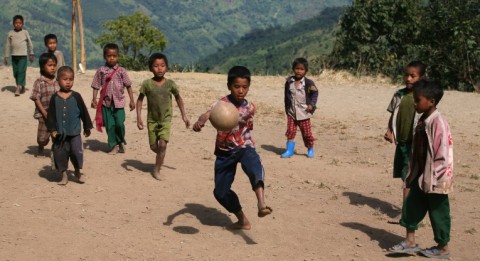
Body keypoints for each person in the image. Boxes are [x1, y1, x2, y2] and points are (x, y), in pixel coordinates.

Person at [193, 66, 273, 230]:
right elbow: (208, 114)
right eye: (237, 86)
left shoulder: (251, 107)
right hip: (224, 152)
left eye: (245, 87)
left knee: (254, 168)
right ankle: (242, 220)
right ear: (229, 86)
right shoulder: (221, 104)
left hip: (244, 146)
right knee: (220, 192)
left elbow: (248, 127)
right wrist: (200, 121)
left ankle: (261, 202)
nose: (241, 90)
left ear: (249, 87)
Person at [389, 79, 453, 259]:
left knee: (438, 213)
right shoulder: (422, 120)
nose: (415, 103)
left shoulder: (438, 122)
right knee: (411, 206)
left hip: (435, 179)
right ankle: (410, 241)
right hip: (420, 175)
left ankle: (443, 247)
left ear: (432, 101)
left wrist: (437, 177)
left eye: (418, 100)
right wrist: (412, 172)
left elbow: (443, 152)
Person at [136, 53, 190, 180]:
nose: (159, 69)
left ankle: (156, 169)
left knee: (162, 145)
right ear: (150, 68)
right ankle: (161, 156)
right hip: (152, 120)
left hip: (166, 119)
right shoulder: (147, 84)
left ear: (166, 67)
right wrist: (138, 118)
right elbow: (139, 101)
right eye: (156, 66)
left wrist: (184, 116)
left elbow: (178, 98)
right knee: (154, 147)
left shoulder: (170, 84)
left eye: (162, 65)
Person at [384, 61, 426, 223]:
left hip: (415, 144)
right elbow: (393, 115)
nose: (408, 79)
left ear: (421, 78)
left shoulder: (423, 98)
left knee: (408, 177)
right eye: (406, 75)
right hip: (402, 143)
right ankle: (413, 208)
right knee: (407, 177)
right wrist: (389, 130)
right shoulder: (399, 95)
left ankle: (407, 213)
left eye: (413, 76)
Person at [47, 66, 93, 185]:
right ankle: (63, 175)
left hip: (74, 133)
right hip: (60, 134)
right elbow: (50, 115)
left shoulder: (76, 96)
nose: (68, 82)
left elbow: (84, 112)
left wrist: (87, 127)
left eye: (71, 79)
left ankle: (77, 171)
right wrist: (52, 129)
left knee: (77, 151)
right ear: (58, 80)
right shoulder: (54, 98)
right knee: (60, 153)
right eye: (65, 79)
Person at [91, 43, 135, 154]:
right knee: (110, 125)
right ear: (105, 57)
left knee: (119, 124)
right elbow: (96, 85)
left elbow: (128, 85)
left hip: (119, 103)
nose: (112, 58)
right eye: (109, 56)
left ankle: (120, 141)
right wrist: (94, 99)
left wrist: (132, 100)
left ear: (118, 56)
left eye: (114, 56)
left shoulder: (121, 71)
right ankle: (113, 145)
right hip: (106, 103)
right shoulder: (101, 71)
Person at [280, 57, 318, 158]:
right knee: (290, 131)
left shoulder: (309, 83)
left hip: (304, 113)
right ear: (293, 69)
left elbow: (315, 93)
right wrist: (287, 109)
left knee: (306, 134)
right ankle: (289, 150)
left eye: (302, 69)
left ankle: (310, 148)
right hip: (292, 113)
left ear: (306, 71)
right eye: (297, 68)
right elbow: (286, 96)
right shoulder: (289, 82)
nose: (299, 71)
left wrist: (312, 105)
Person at [30, 53, 59, 157]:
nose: (53, 68)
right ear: (43, 67)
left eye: (54, 65)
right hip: (44, 114)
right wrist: (43, 112)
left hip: (57, 114)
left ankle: (55, 150)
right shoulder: (39, 82)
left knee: (56, 134)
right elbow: (35, 98)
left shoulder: (58, 81)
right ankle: (41, 146)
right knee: (42, 137)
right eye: (50, 65)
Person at [4, 15, 34, 96]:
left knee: (21, 71)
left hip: (23, 56)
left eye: (20, 23)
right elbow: (7, 45)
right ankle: (22, 85)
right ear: (13, 24)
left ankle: (18, 88)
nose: (18, 24)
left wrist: (31, 53)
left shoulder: (25, 32)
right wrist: (6, 56)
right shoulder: (10, 33)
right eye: (16, 23)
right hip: (14, 56)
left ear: (22, 24)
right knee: (16, 72)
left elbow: (30, 43)